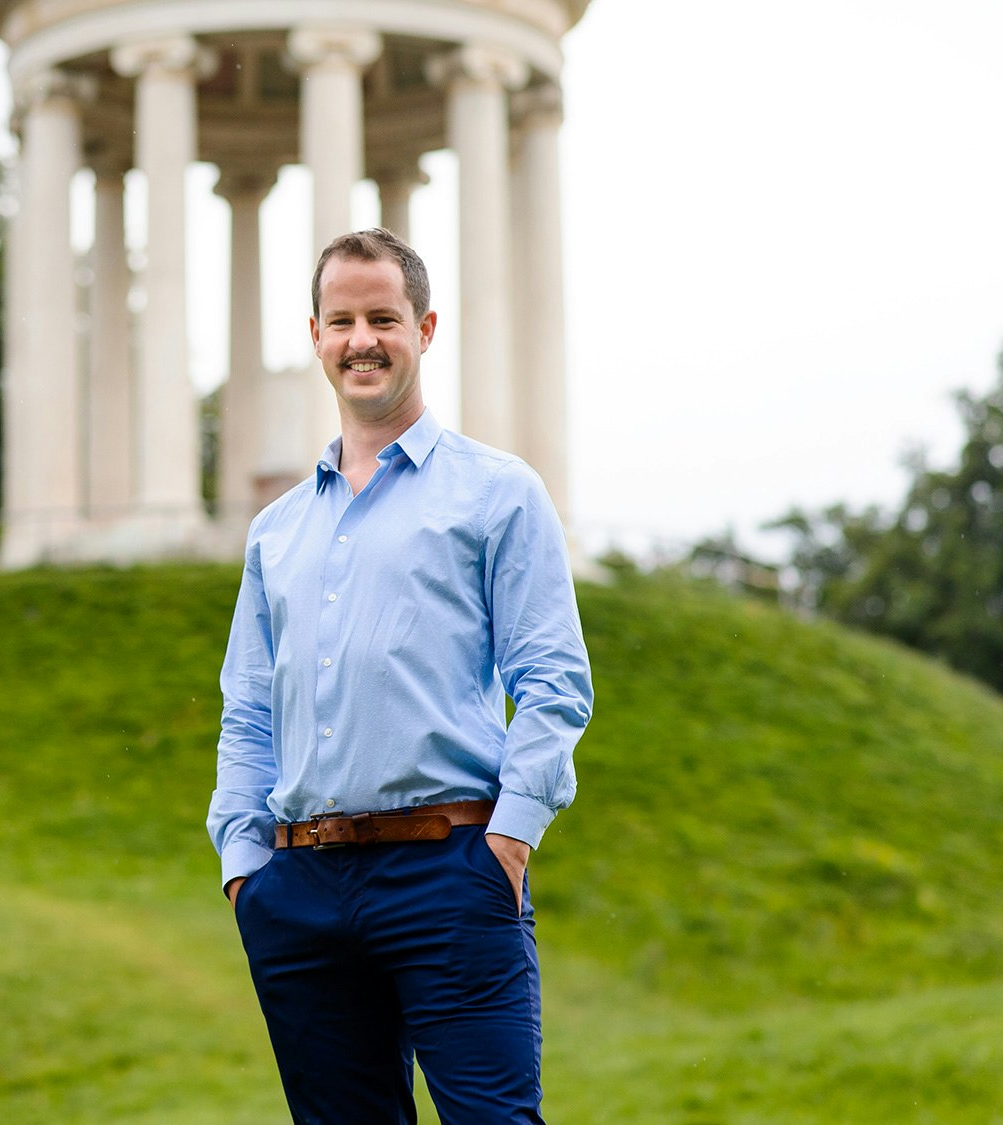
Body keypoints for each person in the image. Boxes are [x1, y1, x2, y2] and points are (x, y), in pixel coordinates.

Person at [209, 228, 593, 1124]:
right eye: (341, 320)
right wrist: (243, 866)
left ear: (423, 327)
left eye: (382, 317)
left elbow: (553, 679)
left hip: (450, 869)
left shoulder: (498, 493)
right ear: (315, 336)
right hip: (297, 889)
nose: (362, 339)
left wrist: (510, 839)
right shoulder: (275, 531)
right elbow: (248, 710)